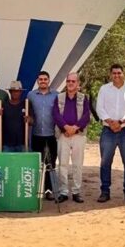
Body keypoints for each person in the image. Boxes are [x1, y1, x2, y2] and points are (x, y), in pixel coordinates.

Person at [95, 64, 125, 204]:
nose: (116, 75)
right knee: (105, 162)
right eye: (114, 73)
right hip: (108, 130)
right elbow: (99, 108)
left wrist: (120, 122)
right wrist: (110, 122)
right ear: (110, 74)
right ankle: (105, 191)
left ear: (123, 73)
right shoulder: (104, 89)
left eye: (119, 73)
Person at [53, 72, 90, 203]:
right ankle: (63, 191)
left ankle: (76, 191)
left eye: (73, 81)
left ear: (78, 84)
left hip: (78, 135)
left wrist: (74, 128)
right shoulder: (59, 97)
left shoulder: (83, 98)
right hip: (63, 135)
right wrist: (66, 128)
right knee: (62, 164)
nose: (70, 83)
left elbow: (86, 115)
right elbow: (56, 115)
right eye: (68, 81)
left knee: (77, 164)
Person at [27, 71, 58, 200]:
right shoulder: (31, 95)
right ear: (37, 81)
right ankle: (38, 189)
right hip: (37, 134)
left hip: (52, 134)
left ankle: (49, 190)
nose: (43, 81)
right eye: (41, 79)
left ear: (49, 81)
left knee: (51, 163)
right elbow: (29, 112)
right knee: (38, 164)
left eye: (45, 79)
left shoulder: (56, 95)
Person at [0, 81, 27, 152]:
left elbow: (32, 121)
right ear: (10, 92)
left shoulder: (26, 104)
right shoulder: (3, 105)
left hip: (22, 142)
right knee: (7, 163)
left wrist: (29, 119)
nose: (15, 93)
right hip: (7, 143)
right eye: (13, 91)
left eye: (17, 91)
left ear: (21, 92)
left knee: (22, 163)